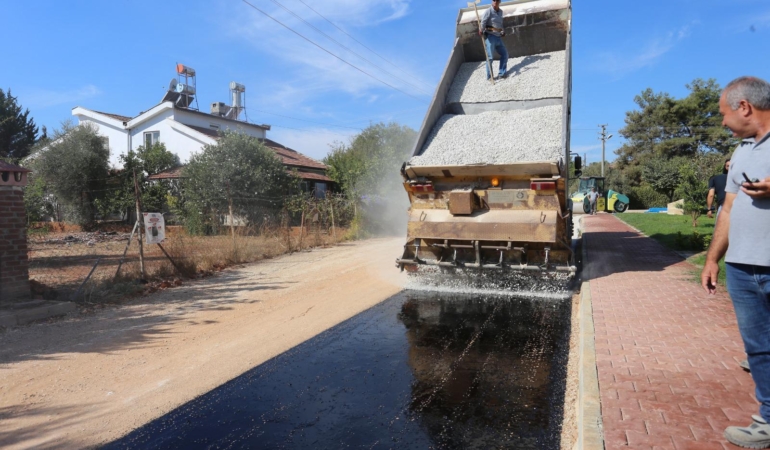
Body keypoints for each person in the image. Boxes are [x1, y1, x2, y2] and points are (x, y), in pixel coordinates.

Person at [701, 76, 770, 449]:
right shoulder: (742, 152)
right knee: (759, 347)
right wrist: (713, 259)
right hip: (742, 268)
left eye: (724, 114)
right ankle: (768, 421)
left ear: (744, 107)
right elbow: (727, 209)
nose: (723, 122)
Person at [479, 0, 509, 80]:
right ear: (492, 1)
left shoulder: (500, 12)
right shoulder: (488, 11)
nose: (495, 1)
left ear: (500, 1)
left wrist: (503, 31)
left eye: (497, 0)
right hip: (490, 37)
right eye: (494, 0)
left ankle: (502, 73)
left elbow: (500, 24)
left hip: (498, 37)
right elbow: (483, 22)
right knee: (490, 57)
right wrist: (481, 30)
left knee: (505, 54)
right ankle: (490, 77)